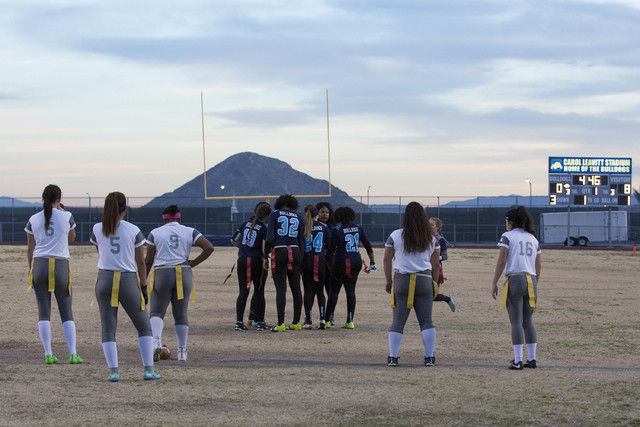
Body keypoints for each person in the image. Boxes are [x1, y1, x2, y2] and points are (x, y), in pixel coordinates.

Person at [90, 192, 159, 382]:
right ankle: (148, 370)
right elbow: (141, 262)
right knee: (144, 327)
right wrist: (143, 286)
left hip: (104, 279)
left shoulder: (97, 228)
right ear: (125, 209)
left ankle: (113, 372)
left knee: (108, 328)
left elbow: (100, 250)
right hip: (127, 279)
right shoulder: (133, 229)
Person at [145, 205, 214, 362]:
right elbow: (209, 247)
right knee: (181, 313)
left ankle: (156, 342)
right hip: (183, 271)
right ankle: (182, 351)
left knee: (156, 312)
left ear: (164, 219)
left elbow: (148, 260)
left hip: (162, 271)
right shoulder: (190, 231)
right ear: (179, 218)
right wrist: (194, 262)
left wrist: (143, 279)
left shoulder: (155, 232)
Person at [25, 184, 82, 365]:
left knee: (44, 312)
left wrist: (30, 268)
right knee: (66, 312)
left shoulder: (33, 218)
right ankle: (72, 353)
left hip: (39, 264)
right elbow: (72, 238)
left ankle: (48, 353)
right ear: (59, 199)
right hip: (60, 264)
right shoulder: (67, 216)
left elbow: (30, 248)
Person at [383, 202, 440, 367]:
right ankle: (429, 357)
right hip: (424, 279)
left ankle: (393, 357)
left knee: (398, 321)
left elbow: (387, 259)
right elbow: (436, 264)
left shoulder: (395, 235)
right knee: (426, 320)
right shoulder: (432, 238)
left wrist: (388, 280)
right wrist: (434, 284)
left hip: (402, 279)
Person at [491, 206, 541, 370]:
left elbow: (502, 259)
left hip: (516, 278)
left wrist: (494, 282)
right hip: (531, 278)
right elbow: (538, 264)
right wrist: (535, 283)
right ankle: (532, 358)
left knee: (516, 322)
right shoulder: (533, 238)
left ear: (510, 221)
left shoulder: (508, 236)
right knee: (528, 321)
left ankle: (518, 360)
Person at [323, 206, 375, 329]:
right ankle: (350, 320)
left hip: (342, 261)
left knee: (334, 291)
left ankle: (327, 320)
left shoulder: (337, 229)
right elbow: (368, 245)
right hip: (356, 260)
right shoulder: (358, 228)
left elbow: (331, 248)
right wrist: (372, 262)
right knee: (350, 291)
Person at [263, 194, 305, 332]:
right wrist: (302, 258)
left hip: (280, 250)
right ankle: (296, 322)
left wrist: (265, 255)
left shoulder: (274, 214)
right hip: (296, 250)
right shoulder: (298, 217)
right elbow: (301, 241)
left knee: (281, 289)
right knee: (296, 288)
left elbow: (269, 237)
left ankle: (280, 323)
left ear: (280, 203)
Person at [231, 202, 272, 331]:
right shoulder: (264, 229)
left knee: (243, 291)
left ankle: (239, 322)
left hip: (242, 259)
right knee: (259, 291)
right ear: (265, 216)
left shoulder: (244, 224)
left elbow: (233, 240)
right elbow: (265, 248)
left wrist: (243, 248)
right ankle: (260, 322)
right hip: (256, 260)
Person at [301, 204, 331, 329]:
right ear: (317, 215)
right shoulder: (323, 227)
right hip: (320, 260)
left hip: (307, 260)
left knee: (308, 291)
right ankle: (323, 319)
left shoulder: (303, 226)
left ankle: (308, 320)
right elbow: (329, 245)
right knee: (320, 291)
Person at [429, 218, 456, 312]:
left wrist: (435, 258)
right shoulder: (424, 238)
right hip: (423, 269)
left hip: (436, 270)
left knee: (432, 295)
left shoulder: (440, 240)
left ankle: (447, 299)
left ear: (438, 227)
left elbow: (445, 256)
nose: (429, 226)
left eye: (432, 225)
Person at [316, 201, 335, 324]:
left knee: (330, 289)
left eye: (327, 212)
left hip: (329, 262)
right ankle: (316, 316)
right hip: (317, 261)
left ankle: (329, 316)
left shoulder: (332, 228)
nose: (324, 214)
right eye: (322, 212)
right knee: (317, 290)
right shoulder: (311, 226)